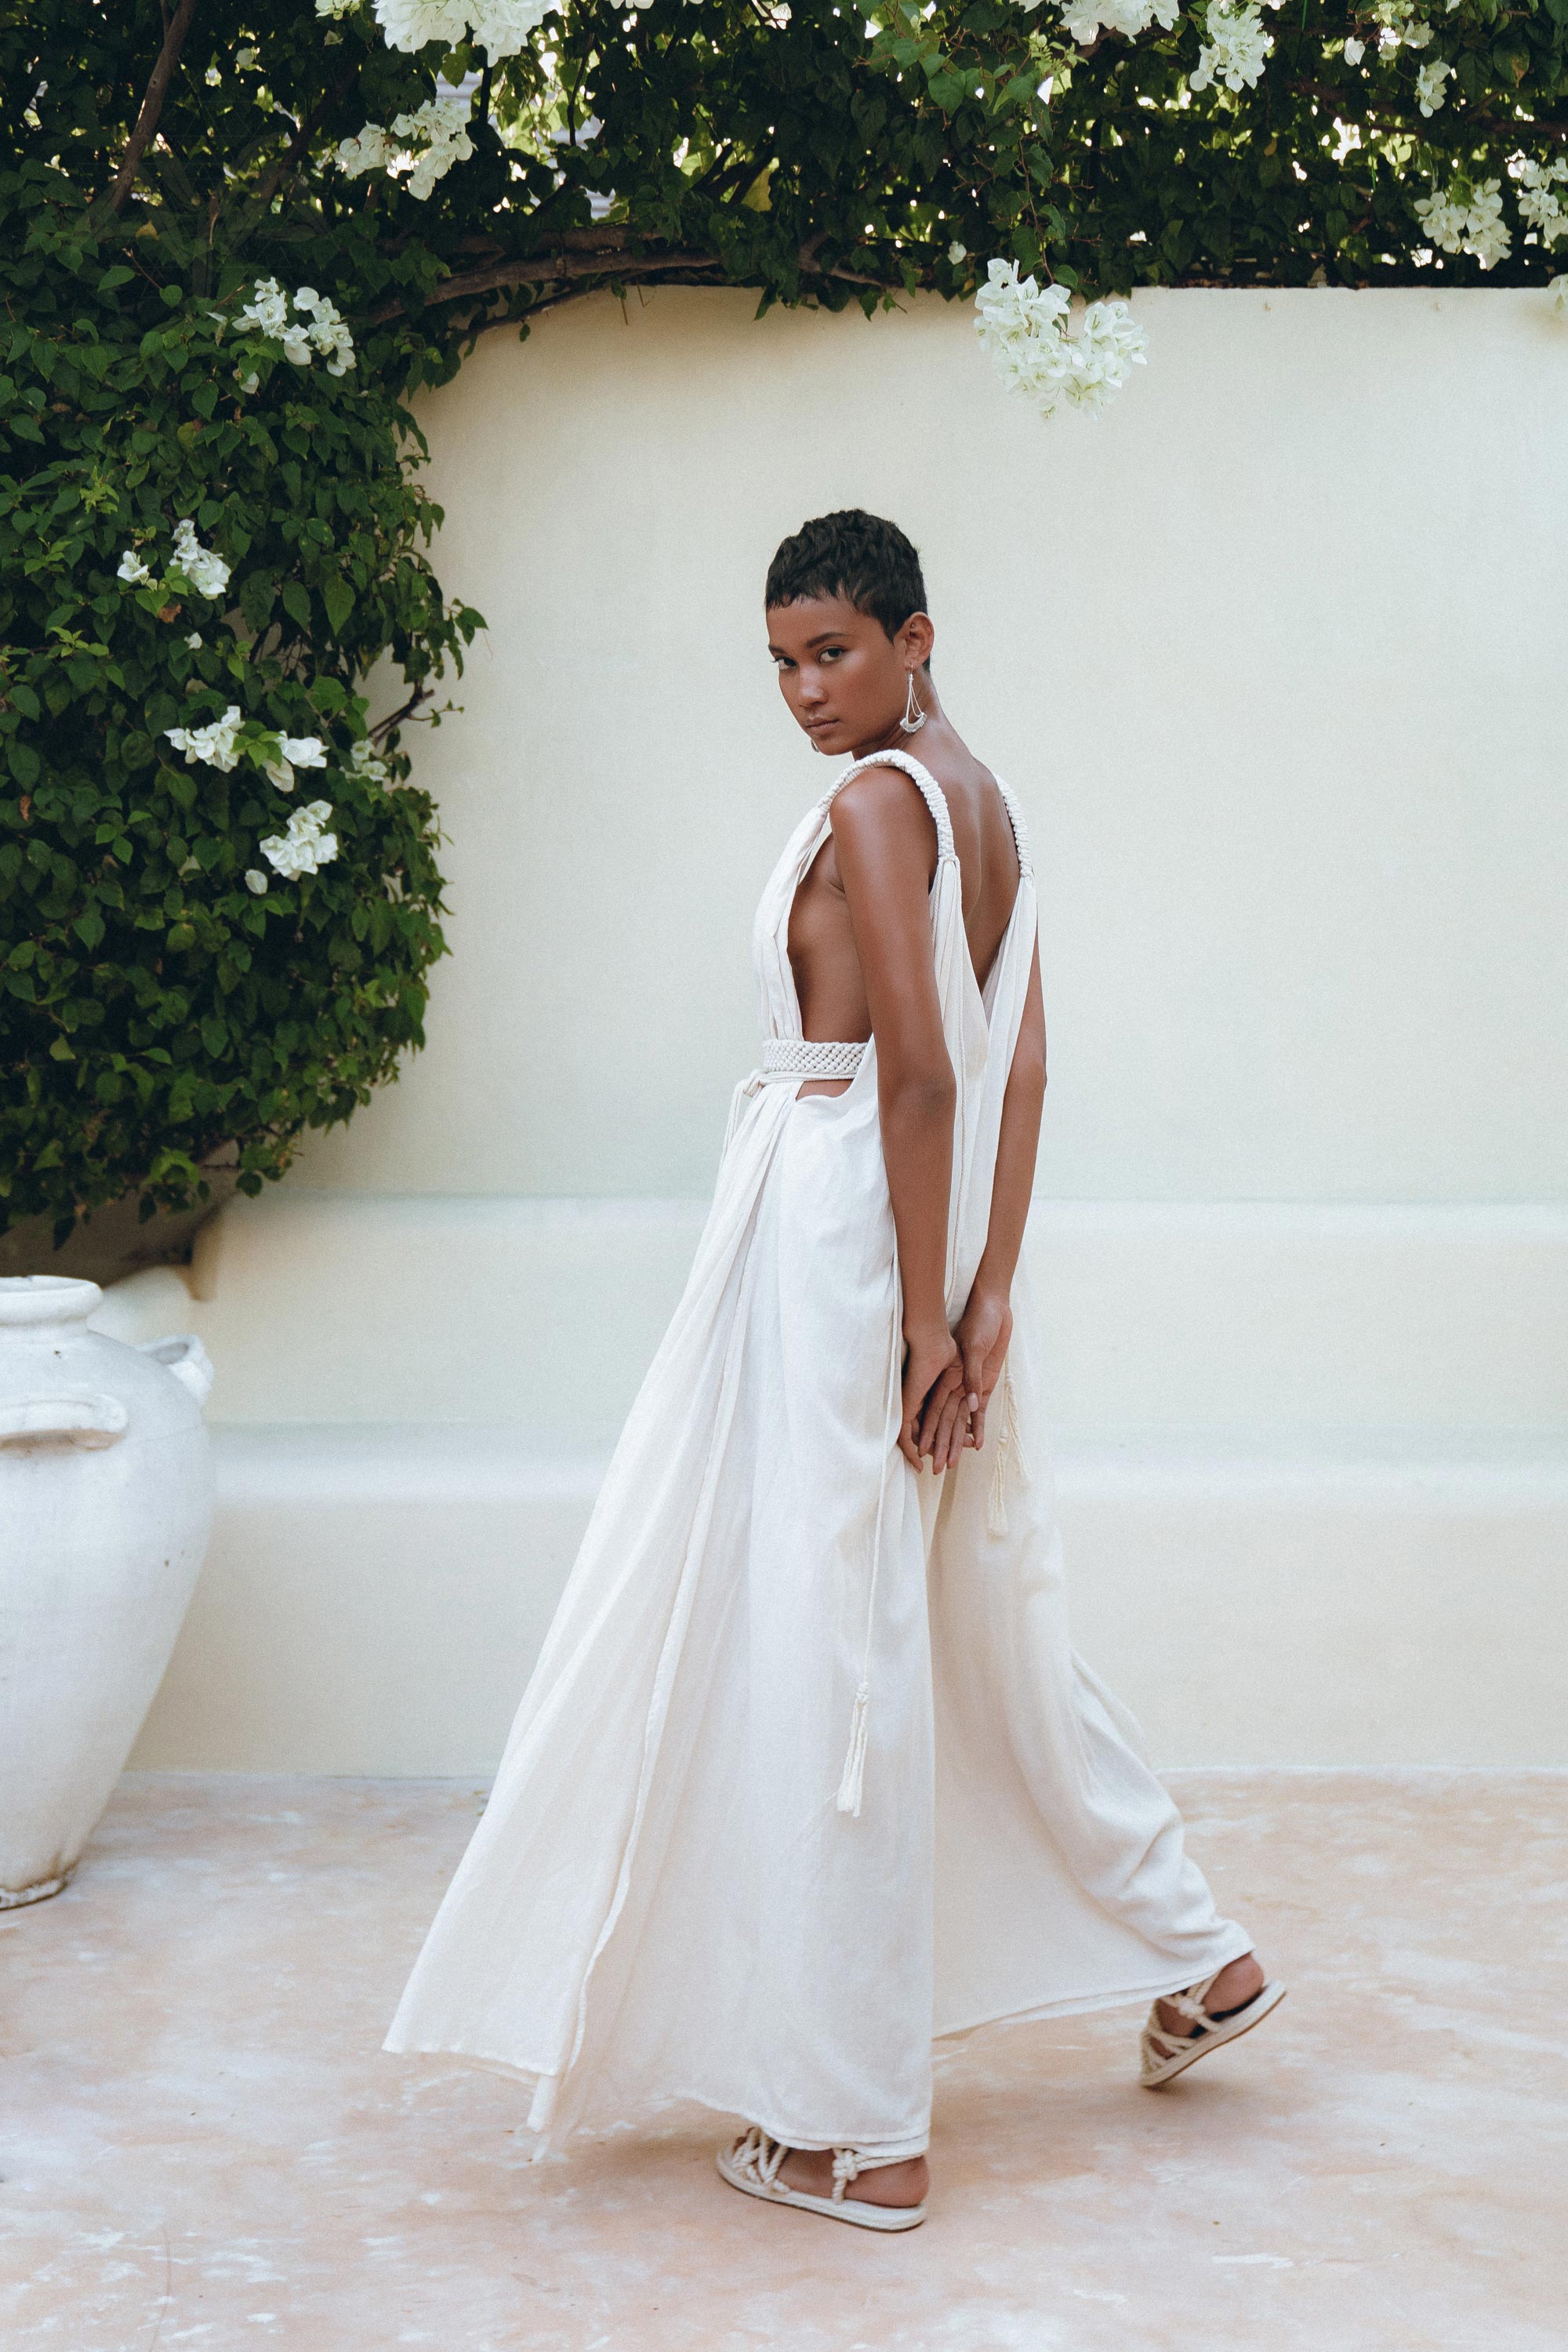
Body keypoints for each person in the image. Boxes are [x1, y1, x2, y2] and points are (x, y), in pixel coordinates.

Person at [383, 508, 1283, 2232]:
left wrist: (930, 1320)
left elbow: (937, 1073)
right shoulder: (984, 797)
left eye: (834, 652)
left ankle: (863, 2130)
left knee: (837, 1649)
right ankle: (1202, 1953)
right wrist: (987, 1288)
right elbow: (1021, 1071)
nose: (804, 691)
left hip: (842, 1237)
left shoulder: (881, 802)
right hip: (904, 1241)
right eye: (783, 662)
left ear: (915, 637)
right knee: (950, 1612)